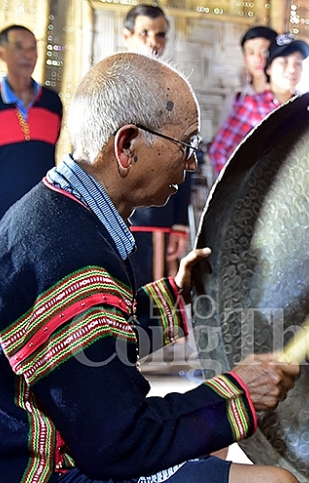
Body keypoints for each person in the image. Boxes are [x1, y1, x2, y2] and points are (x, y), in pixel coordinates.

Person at [0, 52, 300, 483]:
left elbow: (93, 349)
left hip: (29, 438)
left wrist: (180, 298)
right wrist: (242, 393)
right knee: (274, 481)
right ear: (127, 145)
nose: (191, 164)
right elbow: (119, 444)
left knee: (211, 434)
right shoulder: (70, 252)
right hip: (26, 467)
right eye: (186, 145)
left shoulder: (63, 210)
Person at [0, 25, 63, 275]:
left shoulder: (52, 102)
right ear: (1, 52)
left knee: (33, 284)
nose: (28, 55)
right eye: (19, 47)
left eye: (33, 48)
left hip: (39, 213)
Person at [122, 4, 192, 288]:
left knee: (154, 310)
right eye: (145, 33)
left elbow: (184, 154)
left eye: (160, 34)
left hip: (158, 217)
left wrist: (179, 222)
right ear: (127, 36)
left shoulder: (176, 92)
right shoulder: (105, 87)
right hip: (113, 215)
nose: (153, 41)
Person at [208, 32, 309, 176]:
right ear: (268, 68)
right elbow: (218, 150)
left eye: (298, 63)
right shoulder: (251, 105)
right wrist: (235, 189)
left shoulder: (307, 106)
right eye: (283, 61)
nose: (292, 69)